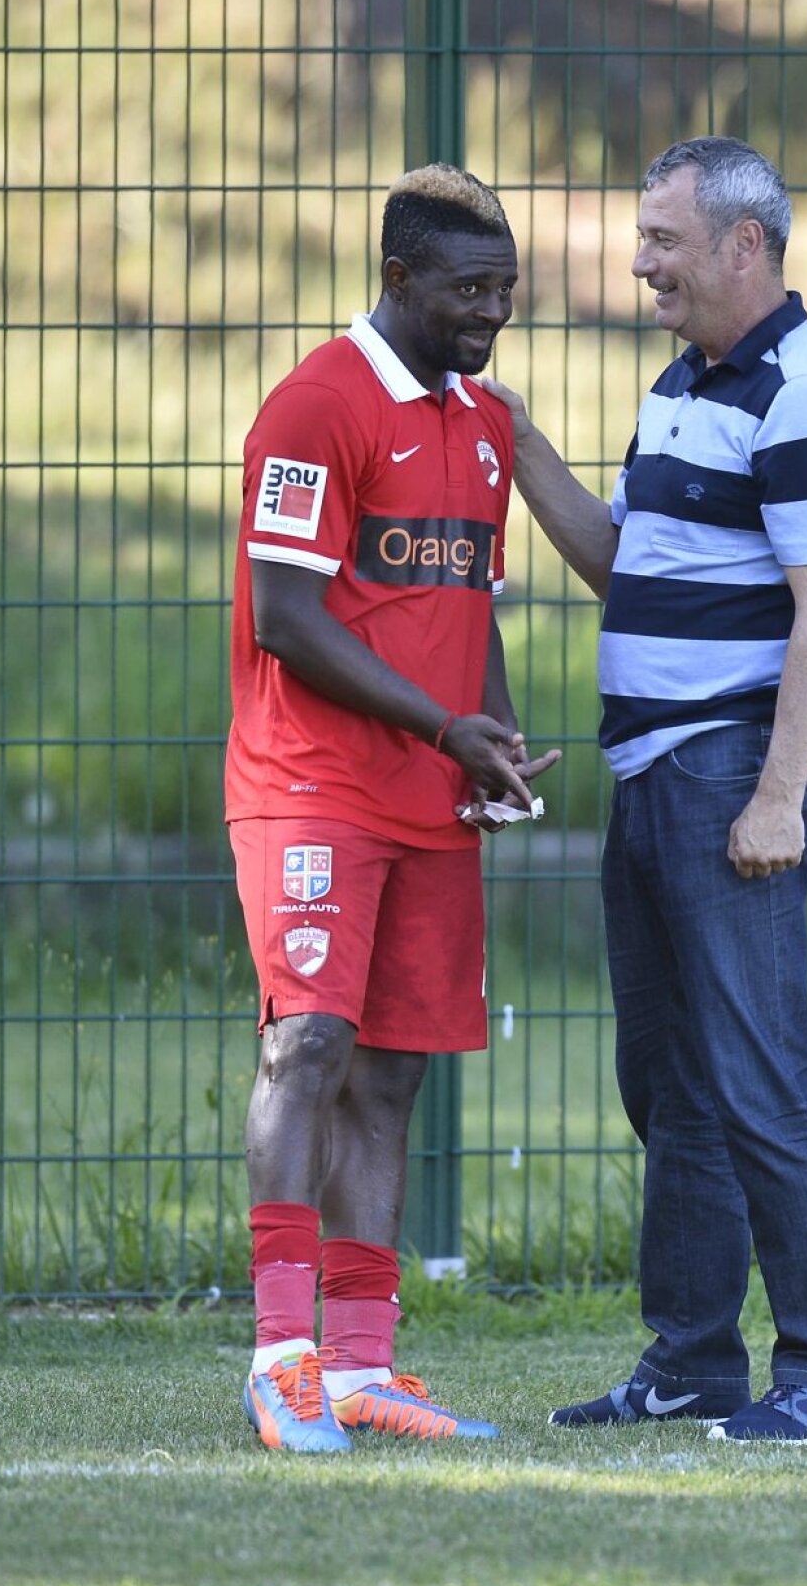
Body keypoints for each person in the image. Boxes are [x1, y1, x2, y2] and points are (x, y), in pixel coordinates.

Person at [483, 136, 807, 1444]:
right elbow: (628, 566)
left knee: (762, 1078)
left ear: (743, 246)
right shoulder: (679, 390)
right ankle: (695, 1363)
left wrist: (775, 799)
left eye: (663, 238)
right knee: (669, 1084)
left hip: (730, 780)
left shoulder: (805, 397)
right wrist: (516, 438)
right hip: (653, 778)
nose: (639, 260)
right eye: (641, 235)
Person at [225, 163, 560, 1454]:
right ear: (399, 279)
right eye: (471, 290)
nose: (492, 313)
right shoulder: (316, 405)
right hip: (310, 788)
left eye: (508, 291)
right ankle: (283, 1356)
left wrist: (493, 743)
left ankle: (366, 1365)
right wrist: (440, 726)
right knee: (305, 1047)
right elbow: (287, 616)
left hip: (433, 799)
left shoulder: (482, 423)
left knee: (394, 1080)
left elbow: (467, 603)